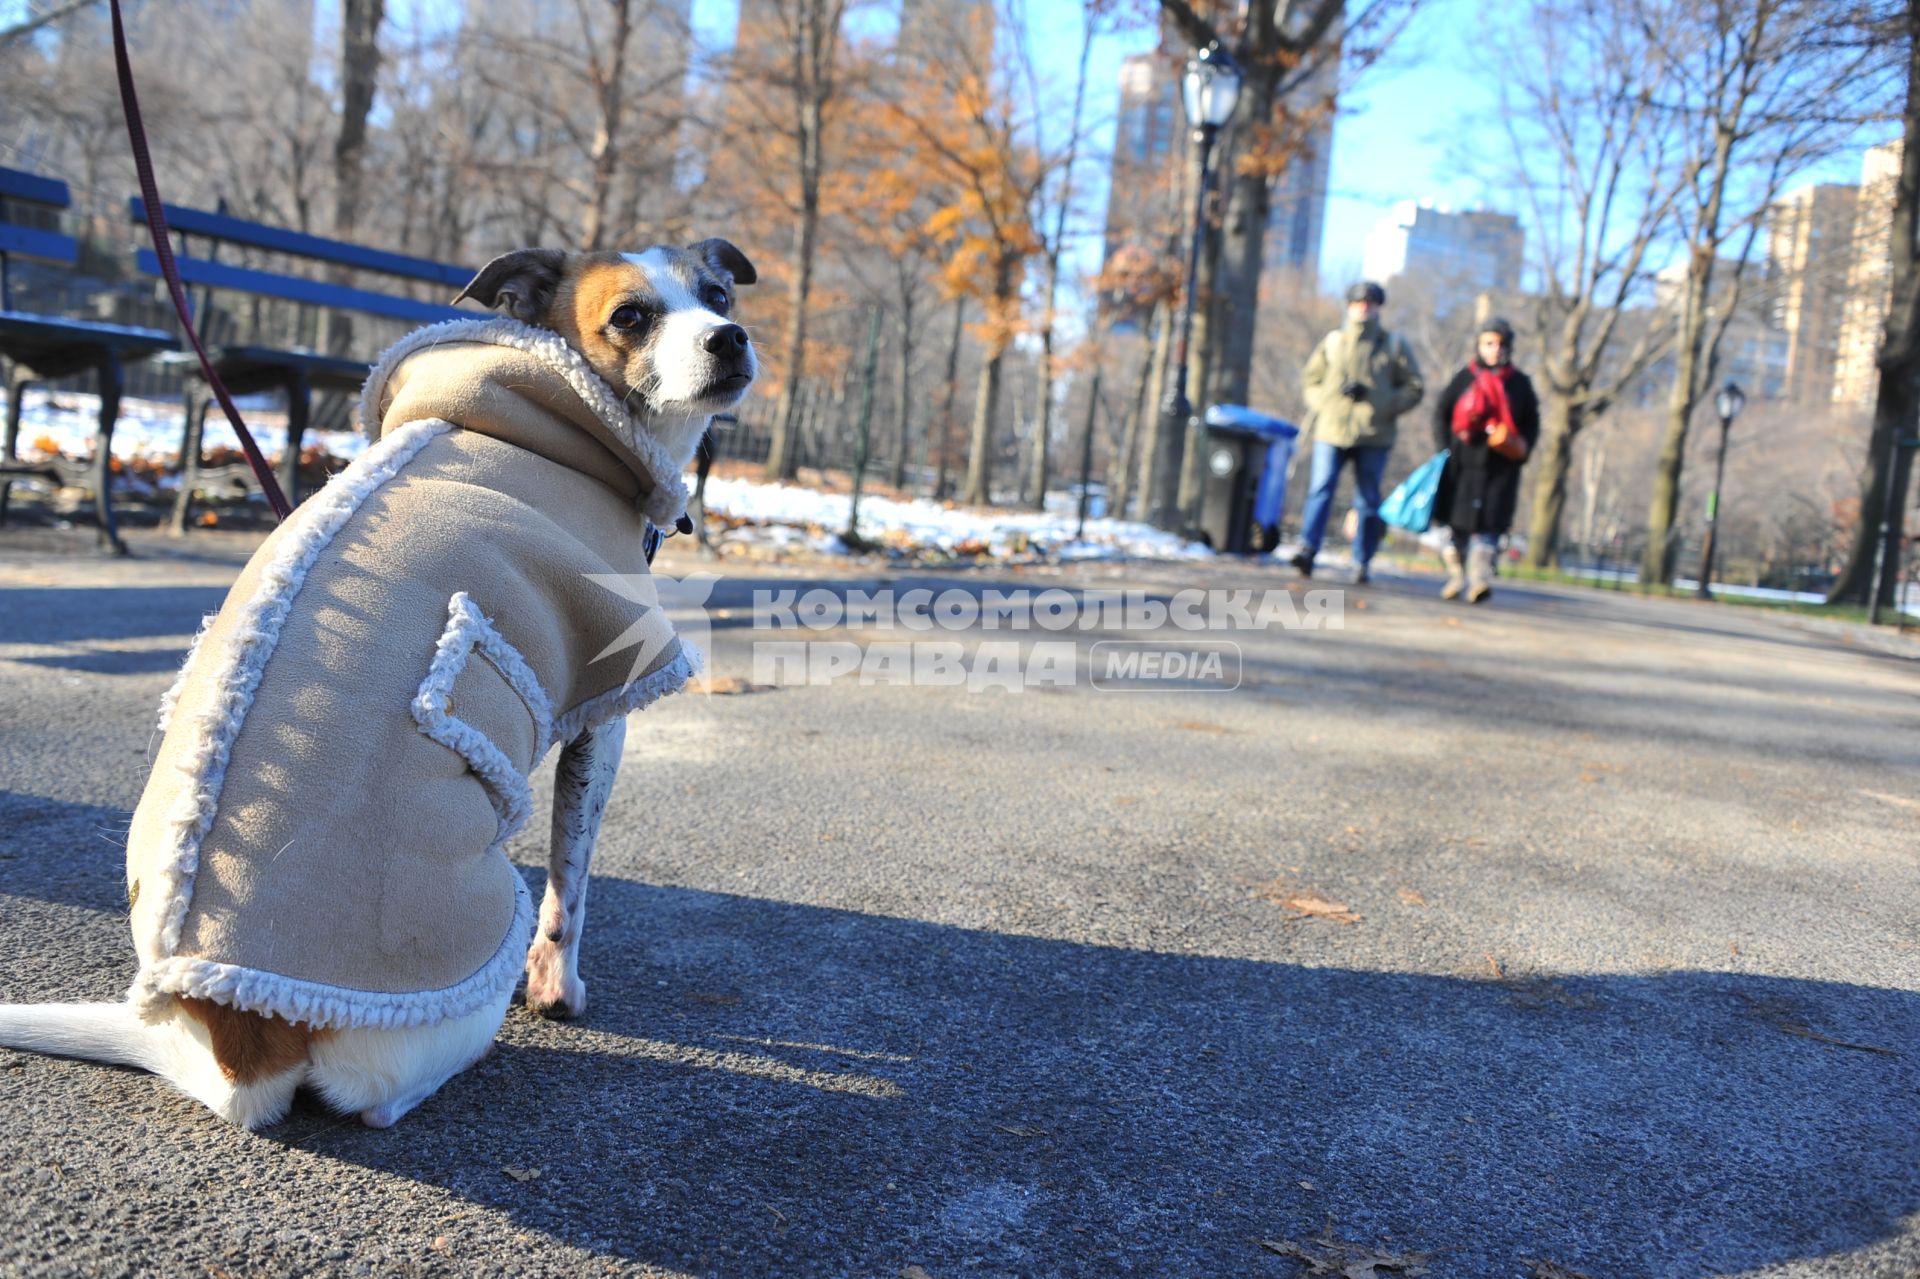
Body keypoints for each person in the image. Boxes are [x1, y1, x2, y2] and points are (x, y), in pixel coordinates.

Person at [1296, 281, 1425, 582]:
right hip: (1332, 429)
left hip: (1374, 434)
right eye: (1358, 302)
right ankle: (1307, 549)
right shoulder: (1333, 341)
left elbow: (1414, 386)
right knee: (1320, 490)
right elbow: (1310, 380)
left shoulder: (1393, 344)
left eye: (1370, 302)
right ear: (1349, 306)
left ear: (1379, 307)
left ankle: (1361, 561)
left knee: (1367, 499)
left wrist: (1384, 404)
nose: (1364, 307)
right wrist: (1325, 404)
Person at [1431, 317, 1540, 603]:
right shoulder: (1464, 378)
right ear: (1479, 345)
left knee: (1489, 525)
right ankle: (1456, 576)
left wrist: (1520, 450)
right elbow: (1442, 413)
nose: (1495, 350)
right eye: (1489, 343)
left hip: (1500, 465)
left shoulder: (1520, 384)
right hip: (1463, 463)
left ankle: (1479, 579)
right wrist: (1445, 449)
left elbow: (1531, 424)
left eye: (1501, 344)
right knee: (1457, 525)